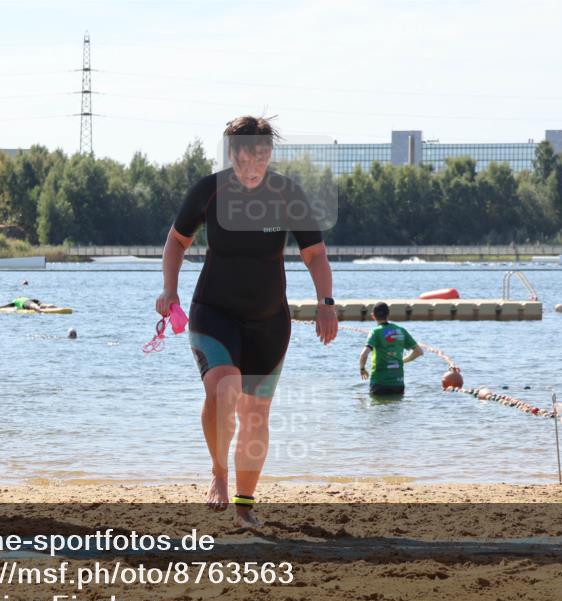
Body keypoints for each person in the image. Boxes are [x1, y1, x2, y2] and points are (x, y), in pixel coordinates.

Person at [155, 115, 338, 529]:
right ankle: (219, 474)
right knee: (224, 388)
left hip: (269, 320)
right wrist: (170, 289)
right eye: (241, 158)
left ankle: (244, 504)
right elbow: (176, 241)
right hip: (213, 311)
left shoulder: (287, 194)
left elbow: (314, 253)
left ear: (268, 154)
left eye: (258, 158)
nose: (250, 167)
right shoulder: (210, 191)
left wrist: (326, 302)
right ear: (231, 154)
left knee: (256, 413)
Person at [359, 302, 422, 397]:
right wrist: (402, 361)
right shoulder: (401, 330)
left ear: (373, 316)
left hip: (379, 382)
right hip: (398, 383)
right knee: (396, 405)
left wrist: (362, 368)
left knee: (377, 405)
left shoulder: (375, 332)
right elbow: (418, 352)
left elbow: (364, 354)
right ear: (388, 314)